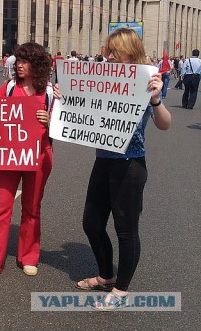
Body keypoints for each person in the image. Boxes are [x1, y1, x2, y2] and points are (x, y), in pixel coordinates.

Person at [72, 28, 171, 311]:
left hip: (130, 164)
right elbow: (83, 112)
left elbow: (164, 124)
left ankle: (121, 289)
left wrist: (155, 99)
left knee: (126, 230)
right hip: (103, 160)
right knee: (91, 222)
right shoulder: (100, 76)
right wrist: (65, 96)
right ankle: (106, 274)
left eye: (114, 50)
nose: (109, 55)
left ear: (129, 51)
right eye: (108, 50)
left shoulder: (147, 78)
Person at [0, 42, 53, 281]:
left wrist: (49, 121)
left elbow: (64, 126)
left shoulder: (47, 92)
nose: (19, 66)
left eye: (25, 62)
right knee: (1, 209)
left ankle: (28, 257)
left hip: (39, 155)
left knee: (32, 208)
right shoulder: (7, 88)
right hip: (8, 156)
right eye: (18, 61)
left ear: (37, 65)